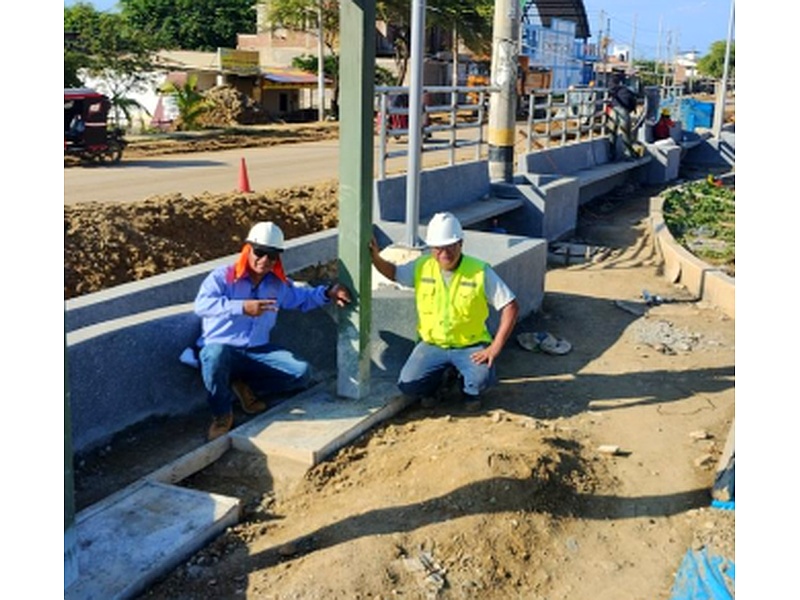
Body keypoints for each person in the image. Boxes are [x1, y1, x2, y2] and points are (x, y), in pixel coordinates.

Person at [194, 221, 351, 440]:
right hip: (224, 348)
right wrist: (242, 307)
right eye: (259, 252)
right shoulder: (223, 277)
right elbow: (202, 305)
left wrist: (328, 293)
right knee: (214, 354)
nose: (265, 260)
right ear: (248, 249)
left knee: (301, 372)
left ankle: (247, 388)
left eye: (272, 255)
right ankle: (222, 414)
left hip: (258, 351)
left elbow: (301, 298)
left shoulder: (276, 284)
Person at [369, 212, 519, 411]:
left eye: (450, 246)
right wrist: (375, 257)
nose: (444, 253)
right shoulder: (422, 266)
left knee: (481, 380)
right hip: (433, 345)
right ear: (431, 248)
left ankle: (469, 392)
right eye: (438, 248)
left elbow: (510, 305)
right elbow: (394, 273)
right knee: (409, 385)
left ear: (460, 244)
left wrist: (495, 347)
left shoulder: (479, 271)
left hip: (470, 346)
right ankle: (437, 384)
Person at [605, 73, 638, 160]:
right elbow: (633, 103)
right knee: (625, 133)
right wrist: (631, 110)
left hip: (613, 110)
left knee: (612, 132)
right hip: (624, 110)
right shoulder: (627, 91)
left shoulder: (612, 89)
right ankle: (628, 155)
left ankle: (612, 155)